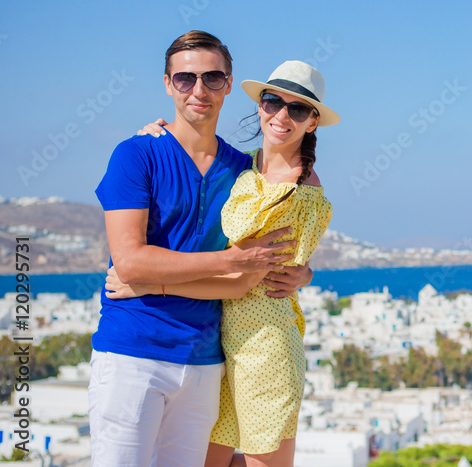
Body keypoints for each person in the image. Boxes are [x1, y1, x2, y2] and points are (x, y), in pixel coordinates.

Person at [90, 31, 314, 467]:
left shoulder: (242, 171)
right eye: (185, 79)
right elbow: (131, 261)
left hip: (206, 366)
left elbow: (249, 277)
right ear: (167, 84)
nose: (199, 90)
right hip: (132, 353)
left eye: (212, 78)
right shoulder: (137, 155)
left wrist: (303, 272)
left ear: (229, 85)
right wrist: (229, 262)